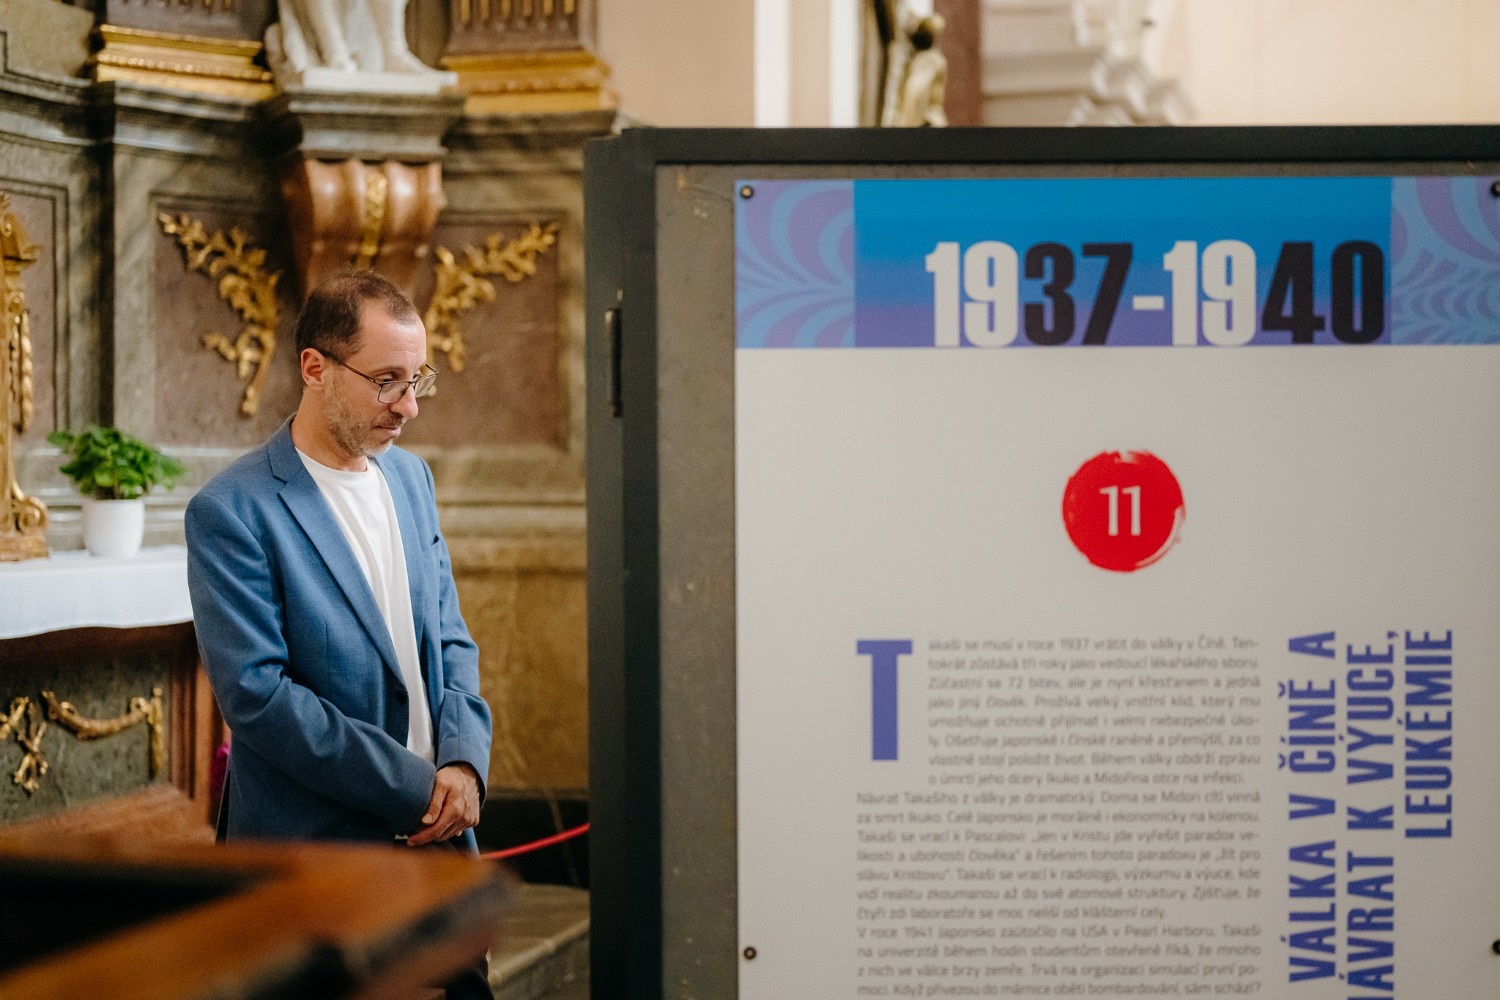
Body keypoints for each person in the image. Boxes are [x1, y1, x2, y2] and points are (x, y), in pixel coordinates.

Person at [186, 268, 494, 999]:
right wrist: (417, 787)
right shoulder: (233, 511)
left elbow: (449, 635)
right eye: (387, 381)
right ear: (315, 367)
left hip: (441, 840)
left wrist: (463, 763)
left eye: (417, 380)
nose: (408, 405)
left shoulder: (411, 480)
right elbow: (259, 698)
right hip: (314, 857)